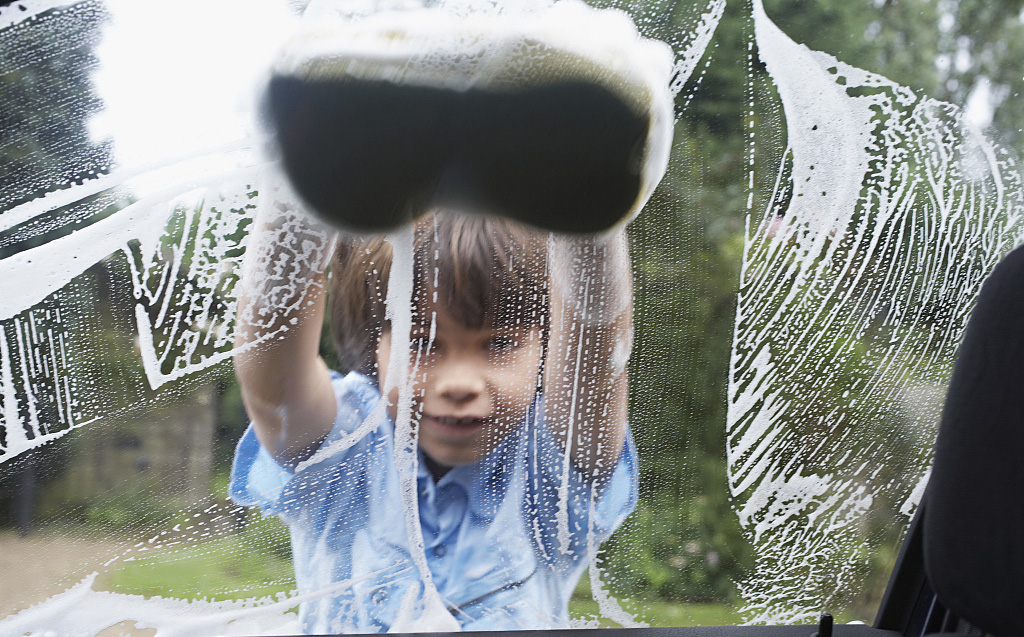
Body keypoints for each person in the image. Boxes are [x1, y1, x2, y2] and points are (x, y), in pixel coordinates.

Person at [229, 175, 638, 632]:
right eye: (420, 341)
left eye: (500, 343)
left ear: (549, 349)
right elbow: (272, 373)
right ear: (375, 344)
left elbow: (598, 354)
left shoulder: (549, 467)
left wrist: (589, 183)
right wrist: (297, 183)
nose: (458, 383)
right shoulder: (348, 446)